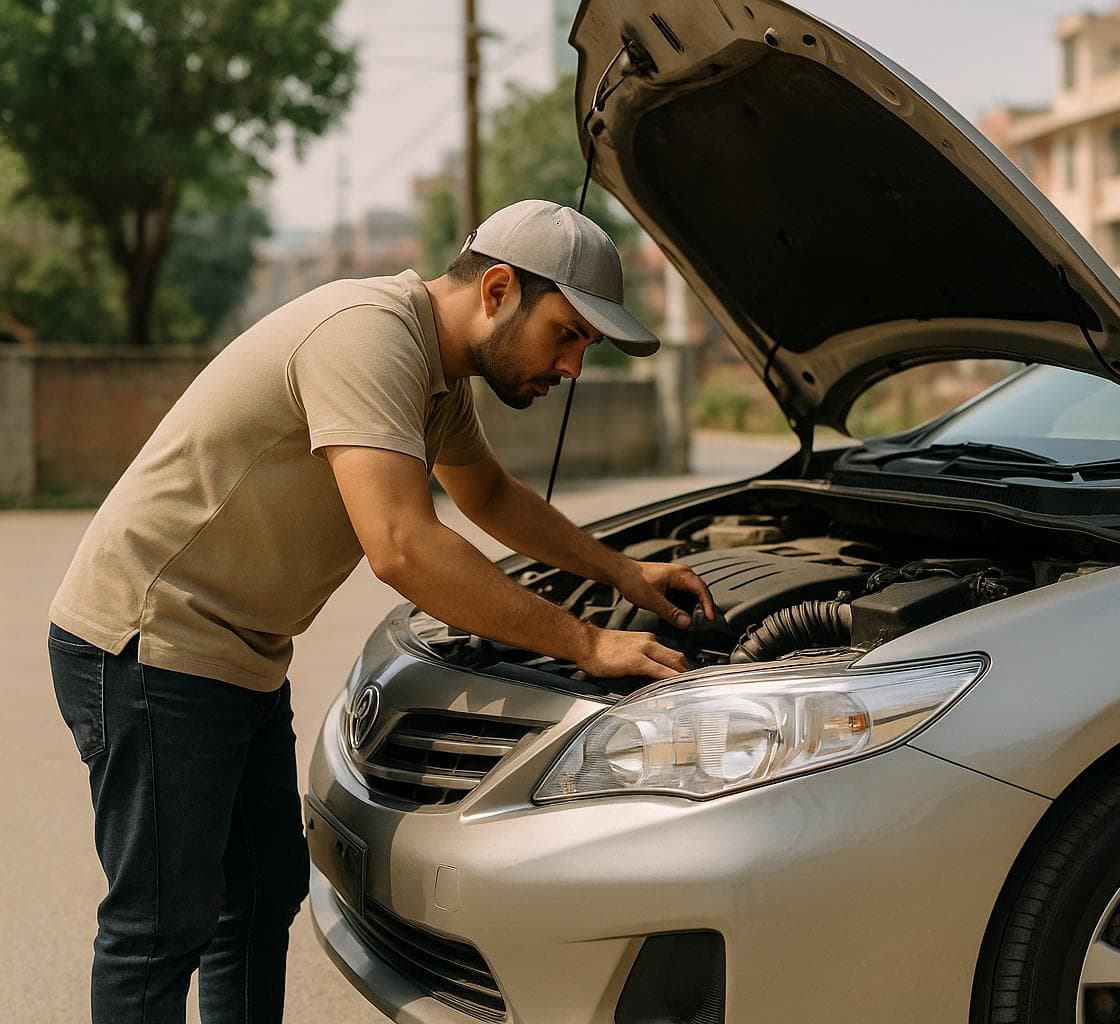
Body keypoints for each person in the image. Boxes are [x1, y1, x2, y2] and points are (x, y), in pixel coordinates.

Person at [45, 198, 718, 1023]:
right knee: (159, 924)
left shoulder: (437, 380)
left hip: (238, 650)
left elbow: (491, 496)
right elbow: (402, 546)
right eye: (569, 333)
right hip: (151, 640)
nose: (574, 367)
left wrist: (623, 574)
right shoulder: (368, 335)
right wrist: (585, 643)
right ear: (499, 289)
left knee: (259, 897)